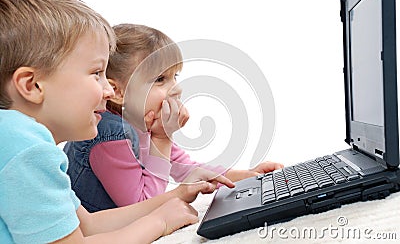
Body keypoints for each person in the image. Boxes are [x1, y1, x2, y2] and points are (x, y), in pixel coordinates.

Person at [0, 0, 234, 243]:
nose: (109, 89)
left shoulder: (24, 143)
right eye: (96, 73)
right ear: (32, 85)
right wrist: (159, 221)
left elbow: (87, 224)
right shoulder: (27, 151)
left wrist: (177, 195)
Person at [64, 23, 284, 211]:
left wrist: (247, 176)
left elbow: (184, 167)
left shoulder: (144, 123)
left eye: (174, 76)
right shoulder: (108, 134)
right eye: (160, 79)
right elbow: (145, 205)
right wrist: (162, 139)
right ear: (119, 92)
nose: (176, 89)